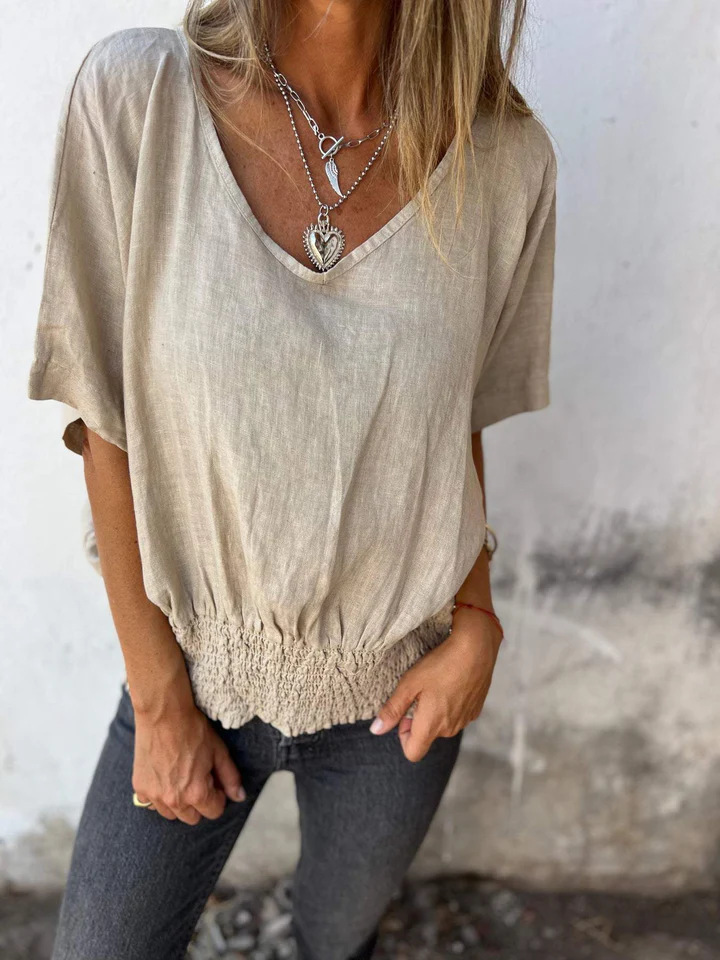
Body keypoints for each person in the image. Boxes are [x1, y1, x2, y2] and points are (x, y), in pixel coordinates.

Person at [26, 1, 557, 957]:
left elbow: (453, 426)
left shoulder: (504, 159)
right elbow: (103, 420)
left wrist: (477, 620)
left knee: (332, 939)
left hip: (399, 695)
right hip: (191, 676)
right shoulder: (140, 97)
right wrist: (158, 702)